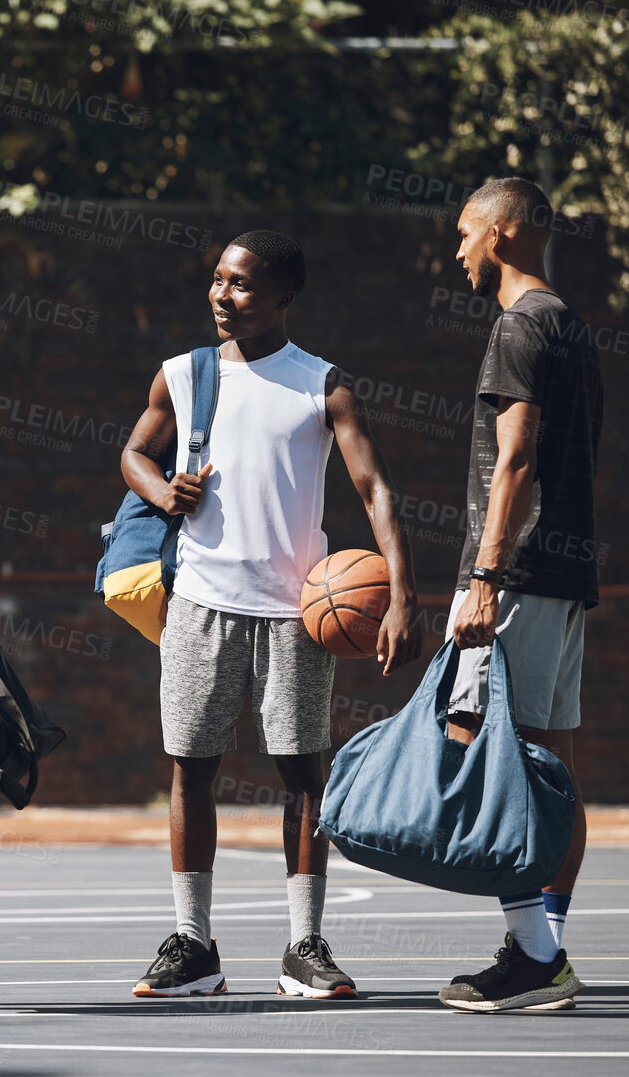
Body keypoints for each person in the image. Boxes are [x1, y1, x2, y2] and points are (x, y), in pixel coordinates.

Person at [121, 230, 422, 1001]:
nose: (224, 294)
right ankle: (193, 944)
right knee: (192, 771)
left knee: (303, 776)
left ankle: (304, 946)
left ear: (284, 297)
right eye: (219, 280)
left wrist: (404, 593)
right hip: (200, 603)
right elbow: (134, 454)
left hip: (299, 611)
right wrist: (162, 493)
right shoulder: (183, 375)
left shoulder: (323, 386)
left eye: (244, 285)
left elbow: (375, 489)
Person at [436, 177, 603, 1013]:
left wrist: (483, 578)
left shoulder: (519, 325)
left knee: (493, 761)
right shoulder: (569, 322)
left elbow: (516, 459)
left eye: (465, 234)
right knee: (553, 768)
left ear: (501, 233)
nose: (456, 249)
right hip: (564, 579)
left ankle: (537, 961)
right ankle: (545, 946)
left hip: (519, 582)